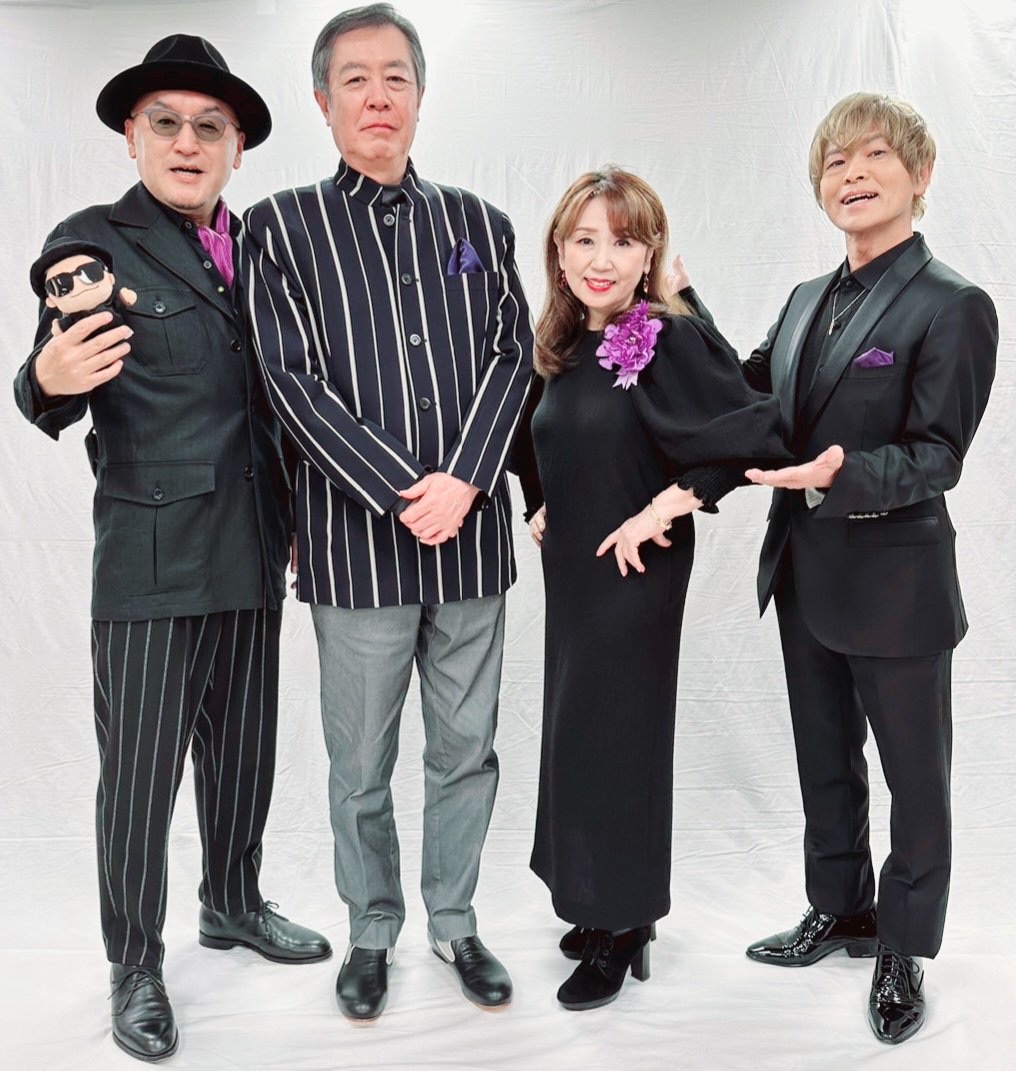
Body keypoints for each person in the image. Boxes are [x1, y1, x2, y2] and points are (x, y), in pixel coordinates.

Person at [13, 35, 331, 1064]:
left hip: (254, 545)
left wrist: (295, 512)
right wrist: (46, 379)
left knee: (244, 754)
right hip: (150, 558)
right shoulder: (93, 242)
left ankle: (231, 902)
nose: (187, 143)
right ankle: (135, 964)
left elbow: (278, 396)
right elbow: (51, 365)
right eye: (166, 124)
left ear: (236, 145)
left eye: (209, 127)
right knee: (140, 778)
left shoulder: (262, 248)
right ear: (131, 135)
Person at [243, 4, 533, 1023]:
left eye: (395, 77)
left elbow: (514, 359)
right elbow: (289, 379)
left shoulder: (480, 226)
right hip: (353, 548)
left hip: (472, 547)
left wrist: (466, 480)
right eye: (355, 79)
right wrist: (406, 490)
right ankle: (371, 928)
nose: (377, 97)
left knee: (466, 752)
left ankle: (454, 921)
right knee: (360, 764)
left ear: (419, 96)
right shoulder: (279, 228)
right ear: (323, 102)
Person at [740, 93, 997, 1045]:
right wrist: (673, 317)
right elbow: (748, 394)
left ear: (920, 176)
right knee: (825, 762)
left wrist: (838, 474)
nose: (852, 173)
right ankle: (840, 908)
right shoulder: (805, 298)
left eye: (875, 155)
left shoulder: (954, 304)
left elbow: (939, 454)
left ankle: (902, 944)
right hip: (804, 573)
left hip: (897, 584)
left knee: (916, 782)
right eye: (835, 161)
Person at [517, 168, 788, 1011]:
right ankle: (599, 898)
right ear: (560, 253)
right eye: (585, 239)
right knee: (578, 734)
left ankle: (624, 923)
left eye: (623, 241)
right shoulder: (563, 348)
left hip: (635, 576)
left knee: (619, 740)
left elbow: (752, 429)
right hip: (575, 578)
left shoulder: (663, 338)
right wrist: (539, 502)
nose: (602, 258)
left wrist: (662, 508)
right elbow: (545, 443)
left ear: (649, 257)